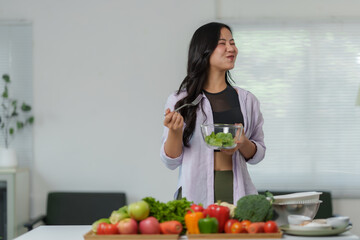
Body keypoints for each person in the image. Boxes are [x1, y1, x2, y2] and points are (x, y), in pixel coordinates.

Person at [160, 22, 265, 207]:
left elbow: (258, 154)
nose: (231, 48)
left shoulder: (247, 100)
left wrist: (244, 143)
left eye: (232, 42)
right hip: (194, 190)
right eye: (222, 43)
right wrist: (174, 132)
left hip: (236, 189)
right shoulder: (180, 101)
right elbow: (170, 161)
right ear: (204, 50)